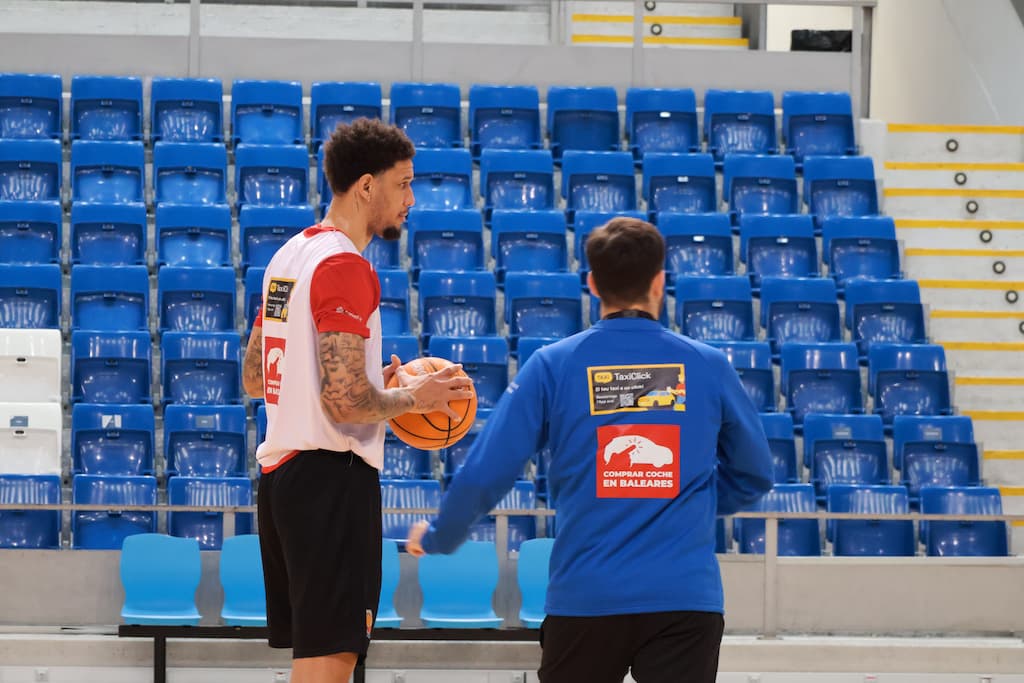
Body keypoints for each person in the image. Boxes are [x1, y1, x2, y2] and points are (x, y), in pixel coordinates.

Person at [407, 216, 774, 683]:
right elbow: (755, 472)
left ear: (593, 284)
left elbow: (487, 471)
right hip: (684, 598)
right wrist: (682, 501)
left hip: (587, 596)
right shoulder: (708, 365)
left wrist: (439, 536)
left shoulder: (552, 365)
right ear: (659, 282)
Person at [242, 118, 474, 683]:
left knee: (314, 663)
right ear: (367, 186)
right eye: (404, 184)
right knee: (328, 667)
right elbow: (345, 403)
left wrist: (376, 385)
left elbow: (253, 377)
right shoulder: (346, 266)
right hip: (331, 482)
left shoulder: (288, 257)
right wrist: (413, 397)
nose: (411, 200)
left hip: (282, 481)